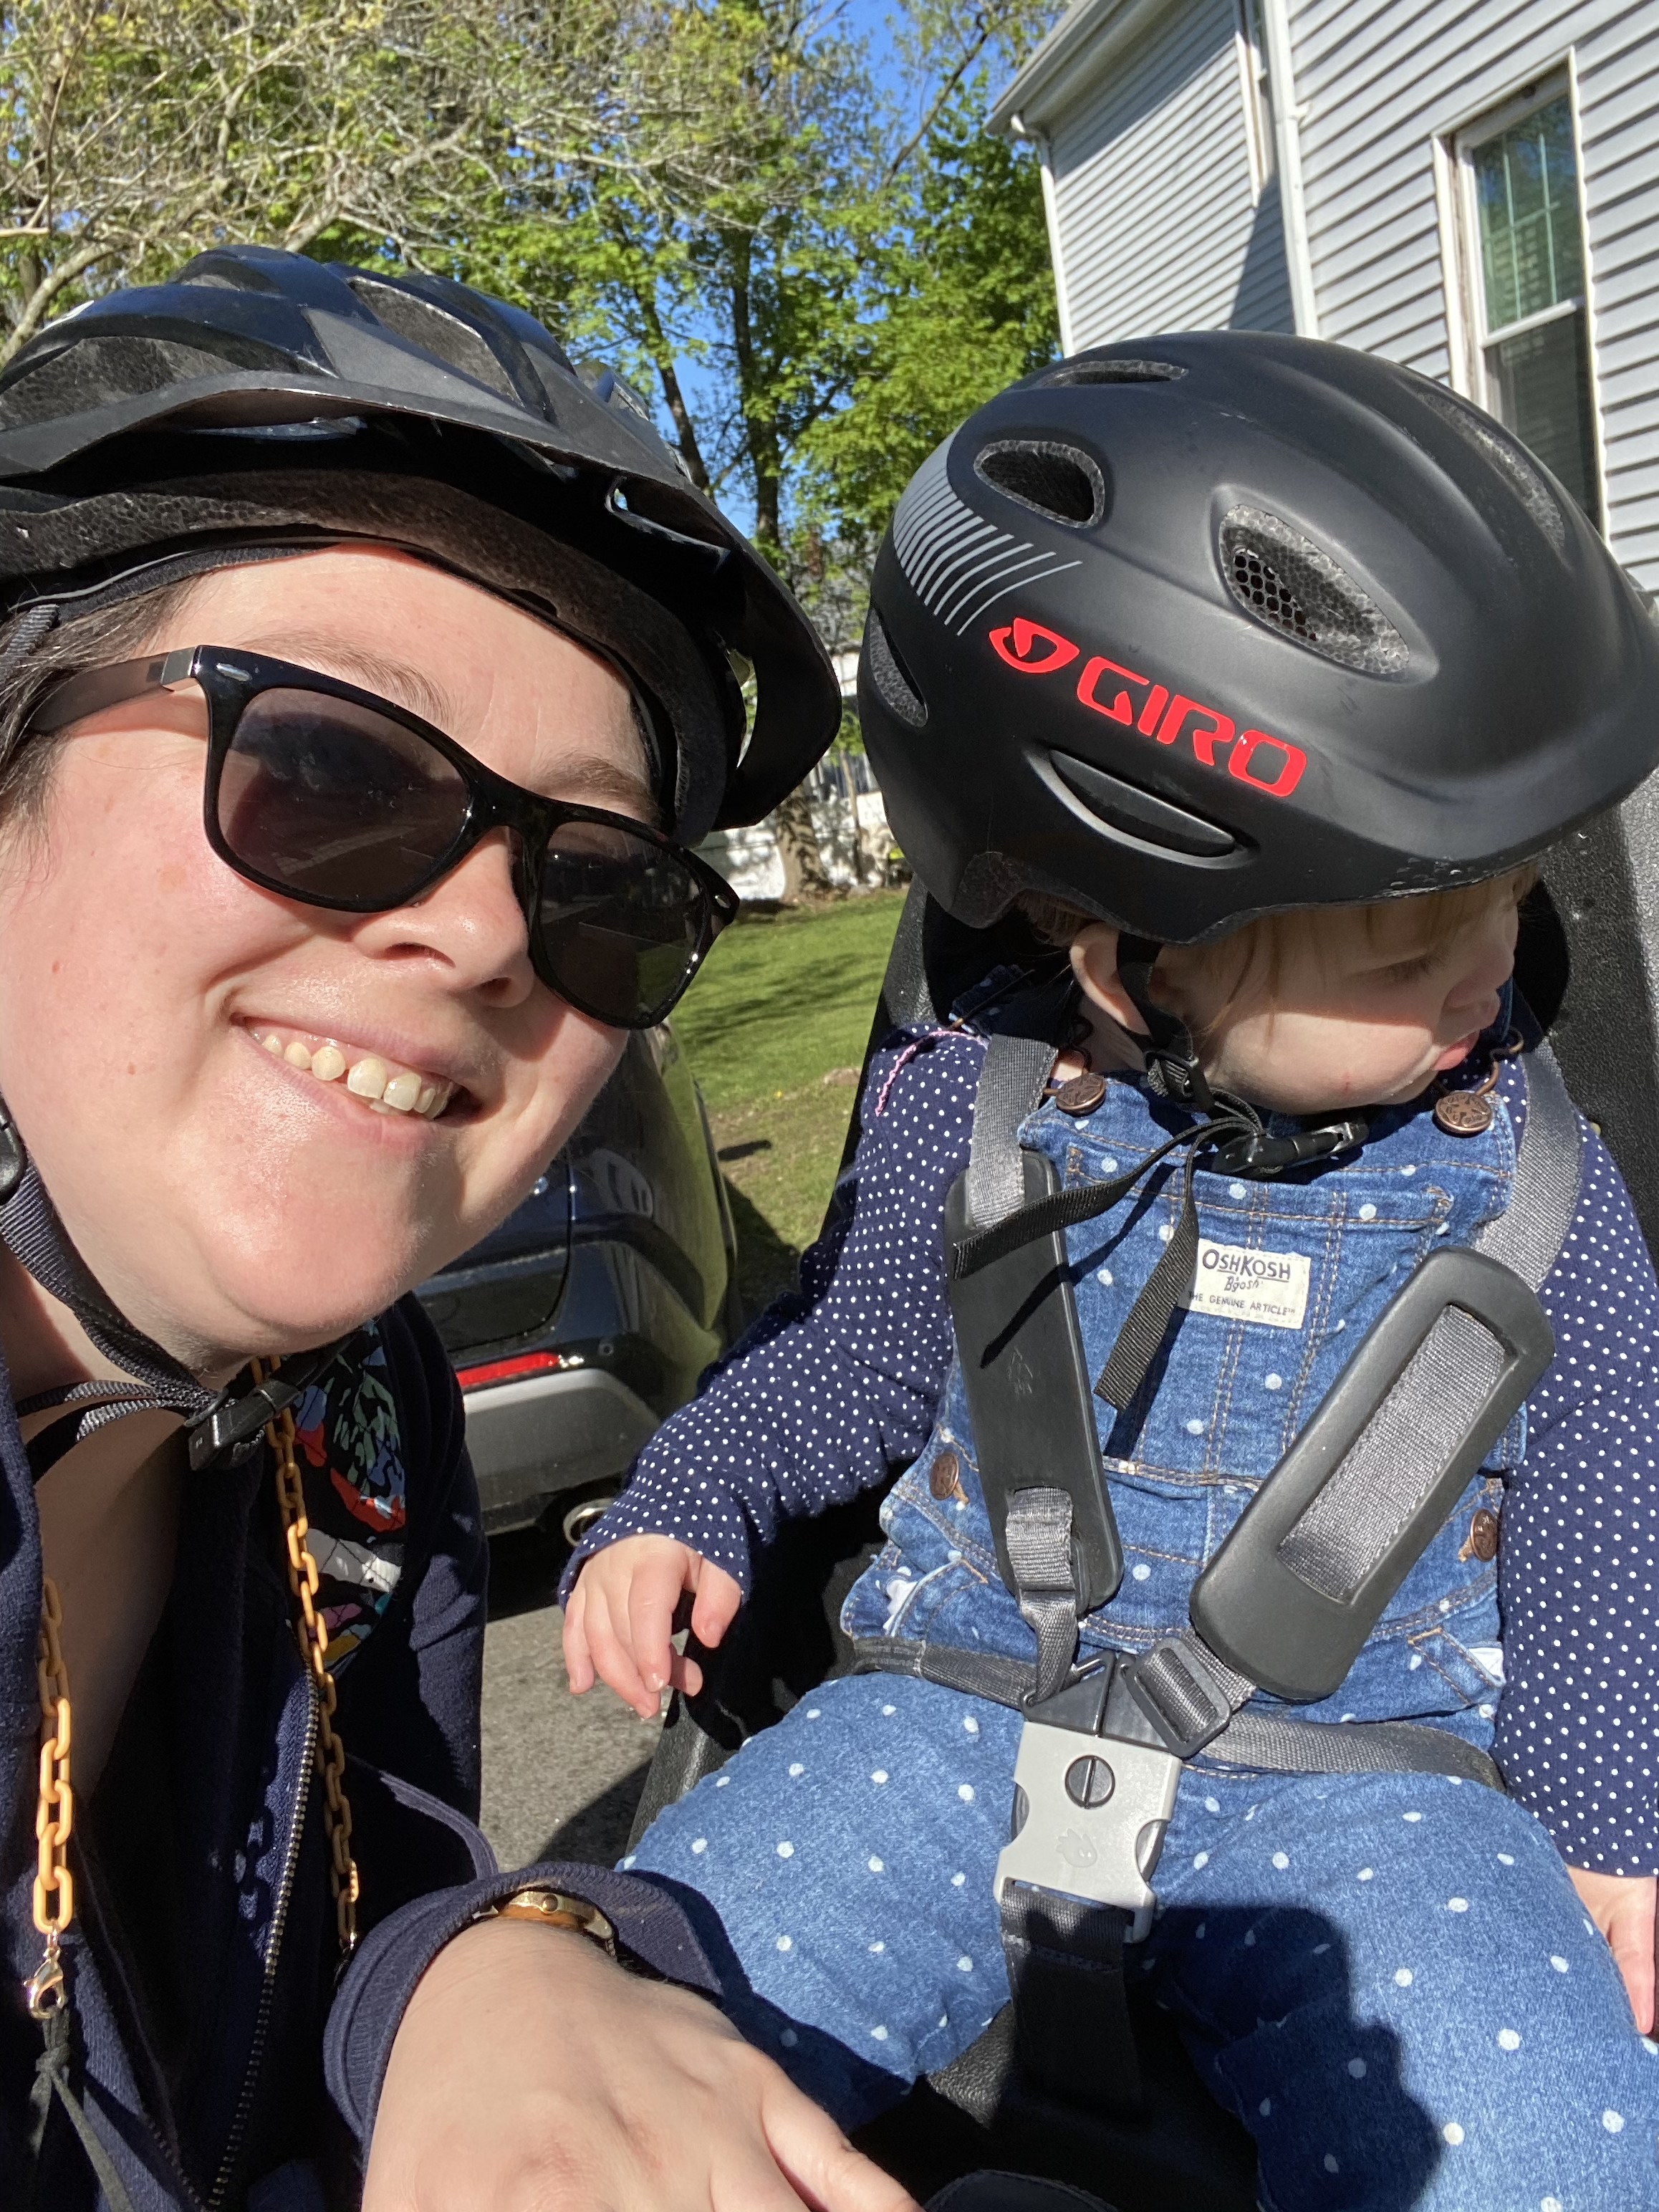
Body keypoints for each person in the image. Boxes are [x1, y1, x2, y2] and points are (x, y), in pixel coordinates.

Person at [562, 333, 1659, 2207]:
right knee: (611, 2049)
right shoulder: (968, 1117)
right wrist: (688, 1501)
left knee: (1548, 2150)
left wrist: (1607, 1825)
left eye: (1500, 909)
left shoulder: (1536, 1182)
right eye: (1408, 958)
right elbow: (835, 1372)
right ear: (1131, 961)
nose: (1486, 978)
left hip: (1372, 1792)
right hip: (940, 1715)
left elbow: (1601, 1497)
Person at [0, 241, 918, 2212]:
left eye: (601, 889)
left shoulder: (362, 1415)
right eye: (326, 767)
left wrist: (498, 1961)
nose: (491, 936)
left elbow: (381, 1885)